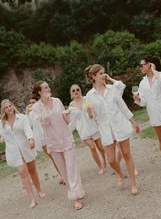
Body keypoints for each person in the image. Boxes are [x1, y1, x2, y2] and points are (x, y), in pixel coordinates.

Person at [85, 64, 140, 195]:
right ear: (93, 77)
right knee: (111, 160)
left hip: (119, 125)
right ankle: (121, 175)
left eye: (104, 72)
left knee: (126, 154)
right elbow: (92, 118)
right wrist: (90, 114)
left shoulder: (112, 89)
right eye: (100, 73)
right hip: (106, 130)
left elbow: (123, 107)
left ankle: (133, 183)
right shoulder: (89, 96)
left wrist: (134, 122)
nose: (104, 75)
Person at [31, 81, 85, 210]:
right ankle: (73, 193)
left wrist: (66, 115)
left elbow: (66, 119)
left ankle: (76, 197)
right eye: (45, 88)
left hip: (66, 138)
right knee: (64, 171)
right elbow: (44, 122)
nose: (48, 89)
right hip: (53, 142)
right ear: (39, 92)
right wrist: (45, 105)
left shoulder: (57, 101)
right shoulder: (36, 107)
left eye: (48, 87)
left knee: (72, 168)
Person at [0, 99, 46, 208]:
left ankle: (39, 190)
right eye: (6, 107)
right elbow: (1, 139)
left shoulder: (22, 118)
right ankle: (32, 198)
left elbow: (28, 130)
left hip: (26, 148)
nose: (9, 108)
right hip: (14, 152)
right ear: (3, 110)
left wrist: (30, 139)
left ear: (13, 106)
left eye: (10, 106)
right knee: (22, 173)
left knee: (32, 170)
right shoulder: (2, 123)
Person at [68, 84, 106, 174]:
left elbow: (94, 113)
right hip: (83, 130)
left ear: (80, 90)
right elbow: (72, 120)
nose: (76, 91)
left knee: (100, 147)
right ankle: (100, 166)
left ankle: (104, 159)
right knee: (92, 148)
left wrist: (90, 114)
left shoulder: (87, 99)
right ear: (71, 93)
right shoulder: (71, 106)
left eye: (77, 89)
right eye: (73, 90)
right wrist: (69, 130)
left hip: (93, 126)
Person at [26, 98, 65, 185]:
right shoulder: (31, 113)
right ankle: (62, 175)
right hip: (41, 139)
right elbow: (29, 125)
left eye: (34, 102)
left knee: (59, 154)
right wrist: (27, 113)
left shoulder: (43, 109)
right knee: (53, 157)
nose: (32, 104)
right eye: (30, 103)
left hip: (50, 135)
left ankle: (66, 173)